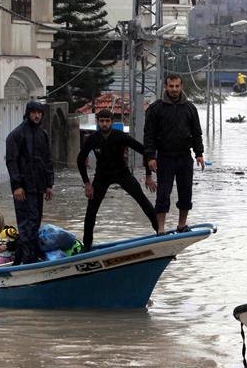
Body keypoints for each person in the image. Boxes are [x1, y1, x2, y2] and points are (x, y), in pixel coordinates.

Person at [77, 109, 158, 251]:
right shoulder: (92, 139)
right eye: (101, 121)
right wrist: (87, 183)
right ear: (97, 122)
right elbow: (80, 160)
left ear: (112, 122)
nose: (104, 124)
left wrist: (148, 176)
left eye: (107, 121)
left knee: (142, 200)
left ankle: (159, 230)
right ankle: (87, 245)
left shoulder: (120, 136)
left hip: (122, 173)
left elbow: (145, 151)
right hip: (101, 176)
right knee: (91, 210)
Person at [144, 73, 204, 235]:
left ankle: (181, 225)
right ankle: (161, 229)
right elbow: (149, 135)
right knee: (163, 194)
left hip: (185, 157)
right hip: (164, 157)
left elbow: (197, 133)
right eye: (171, 86)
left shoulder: (190, 108)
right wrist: (150, 157)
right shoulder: (156, 108)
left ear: (181, 87)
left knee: (186, 193)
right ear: (165, 87)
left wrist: (199, 153)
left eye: (177, 86)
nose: (174, 89)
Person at [5, 101, 55, 264]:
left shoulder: (43, 134)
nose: (37, 115)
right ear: (28, 113)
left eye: (39, 112)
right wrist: (17, 186)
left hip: (38, 186)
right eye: (34, 112)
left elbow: (47, 160)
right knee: (26, 223)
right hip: (23, 188)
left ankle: (19, 258)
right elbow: (12, 162)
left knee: (35, 221)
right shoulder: (16, 135)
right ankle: (28, 260)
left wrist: (49, 184)